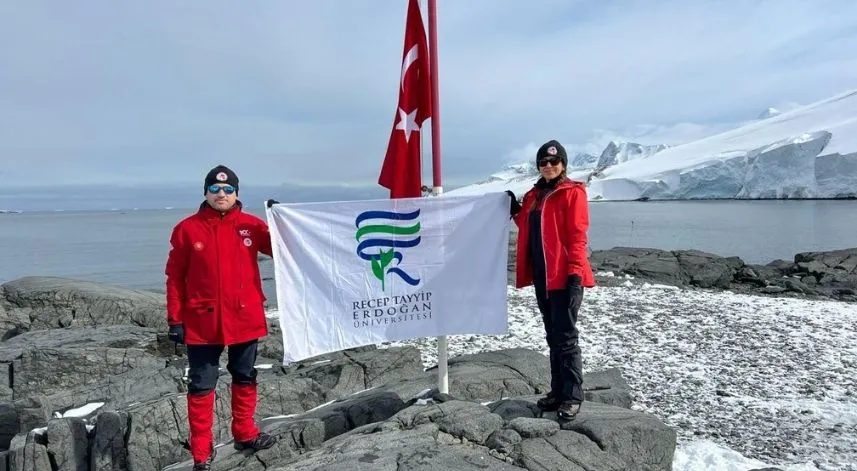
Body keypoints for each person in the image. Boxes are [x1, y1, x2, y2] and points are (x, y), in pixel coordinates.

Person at [165, 165, 277, 470]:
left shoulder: (253, 226)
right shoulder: (186, 229)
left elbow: (286, 250)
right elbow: (175, 277)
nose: (222, 194)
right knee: (201, 385)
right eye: (215, 189)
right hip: (202, 322)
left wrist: (282, 223)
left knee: (245, 376)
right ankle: (202, 452)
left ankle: (244, 433)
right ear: (205, 192)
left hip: (245, 318)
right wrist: (175, 319)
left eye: (228, 190)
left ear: (237, 193)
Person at [506, 140, 595, 420]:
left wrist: (575, 273)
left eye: (553, 162)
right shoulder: (534, 195)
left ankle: (572, 396)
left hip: (565, 276)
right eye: (543, 162)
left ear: (563, 165)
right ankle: (557, 392)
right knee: (553, 337)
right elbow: (530, 227)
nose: (548, 166)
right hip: (543, 277)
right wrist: (515, 211)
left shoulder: (572, 193)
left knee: (566, 338)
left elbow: (578, 235)